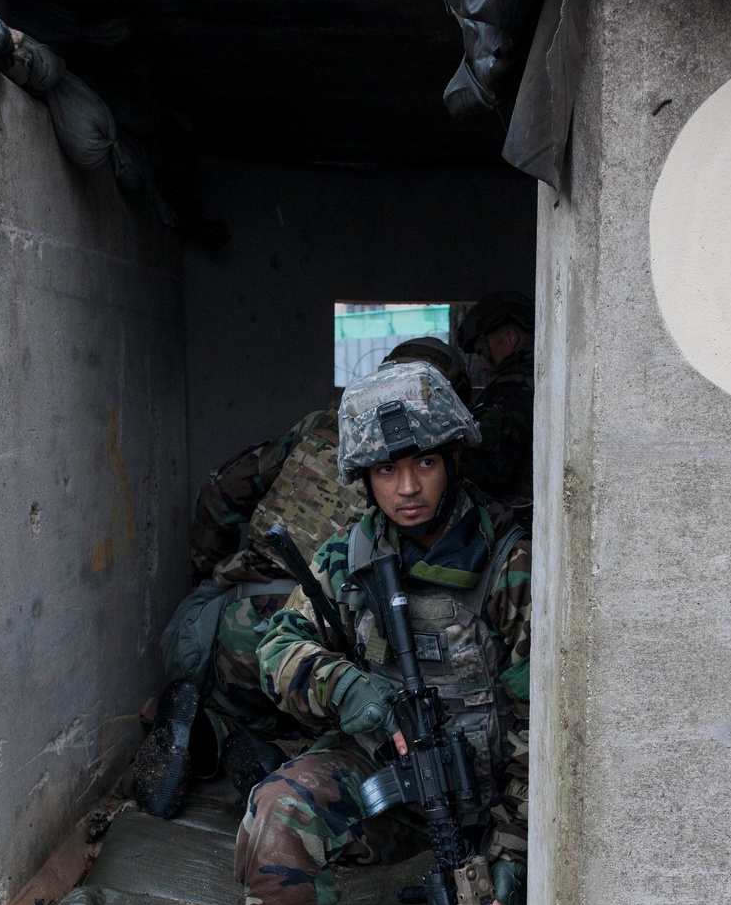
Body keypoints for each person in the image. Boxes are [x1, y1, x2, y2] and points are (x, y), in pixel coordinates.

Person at [197, 360, 530, 905]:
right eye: (386, 469)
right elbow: (278, 647)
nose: (407, 487)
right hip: (392, 777)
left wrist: (510, 852)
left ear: (453, 460)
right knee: (279, 809)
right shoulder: (349, 555)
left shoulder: (509, 559)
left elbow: (544, 727)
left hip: (496, 791)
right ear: (363, 478)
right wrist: (346, 686)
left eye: (424, 462)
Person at [127, 338, 473, 820]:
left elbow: (220, 491)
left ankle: (212, 728)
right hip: (307, 631)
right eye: (388, 470)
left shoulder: (323, 425)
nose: (406, 483)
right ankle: (268, 747)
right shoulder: (433, 475)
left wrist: (208, 574)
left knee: (286, 686)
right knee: (355, 719)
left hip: (228, 625)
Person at [457, 290, 535, 509]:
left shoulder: (509, 388)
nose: (483, 365)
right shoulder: (552, 376)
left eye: (482, 352)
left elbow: (483, 469)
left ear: (511, 338)